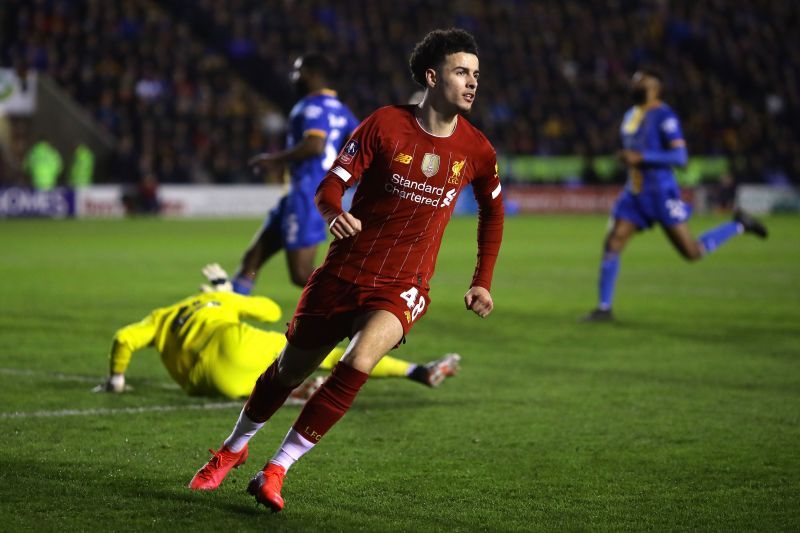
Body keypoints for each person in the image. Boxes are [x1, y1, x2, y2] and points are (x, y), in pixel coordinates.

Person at [188, 28, 504, 512]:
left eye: (476, 74)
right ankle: (232, 449)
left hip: (404, 283)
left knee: (358, 362)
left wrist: (481, 279)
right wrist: (335, 213)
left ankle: (276, 470)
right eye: (462, 72)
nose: (472, 82)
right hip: (345, 272)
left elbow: (492, 212)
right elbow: (329, 186)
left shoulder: (477, 149)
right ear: (432, 76)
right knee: (288, 372)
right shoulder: (384, 125)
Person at [94, 264, 462, 399]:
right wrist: (228, 293)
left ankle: (297, 391)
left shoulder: (160, 316)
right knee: (334, 356)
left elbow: (123, 339)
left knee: (266, 385)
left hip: (205, 382)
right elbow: (269, 310)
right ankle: (417, 371)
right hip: (236, 342)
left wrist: (117, 381)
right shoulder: (220, 301)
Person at [583, 68, 768, 322]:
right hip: (635, 192)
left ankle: (738, 225)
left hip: (660, 193)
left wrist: (642, 157)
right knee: (613, 242)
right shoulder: (631, 115)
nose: (636, 82)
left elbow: (680, 158)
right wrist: (628, 157)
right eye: (635, 79)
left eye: (643, 80)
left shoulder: (664, 115)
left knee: (691, 252)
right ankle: (604, 308)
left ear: (655, 88)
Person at [232, 53, 359, 293]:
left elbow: (315, 144)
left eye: (298, 70)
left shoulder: (311, 106)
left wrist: (273, 160)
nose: (294, 76)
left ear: (312, 74)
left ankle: (358, 299)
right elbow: (360, 140)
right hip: (299, 194)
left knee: (301, 274)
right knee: (253, 259)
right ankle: (227, 314)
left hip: (305, 193)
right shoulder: (340, 109)